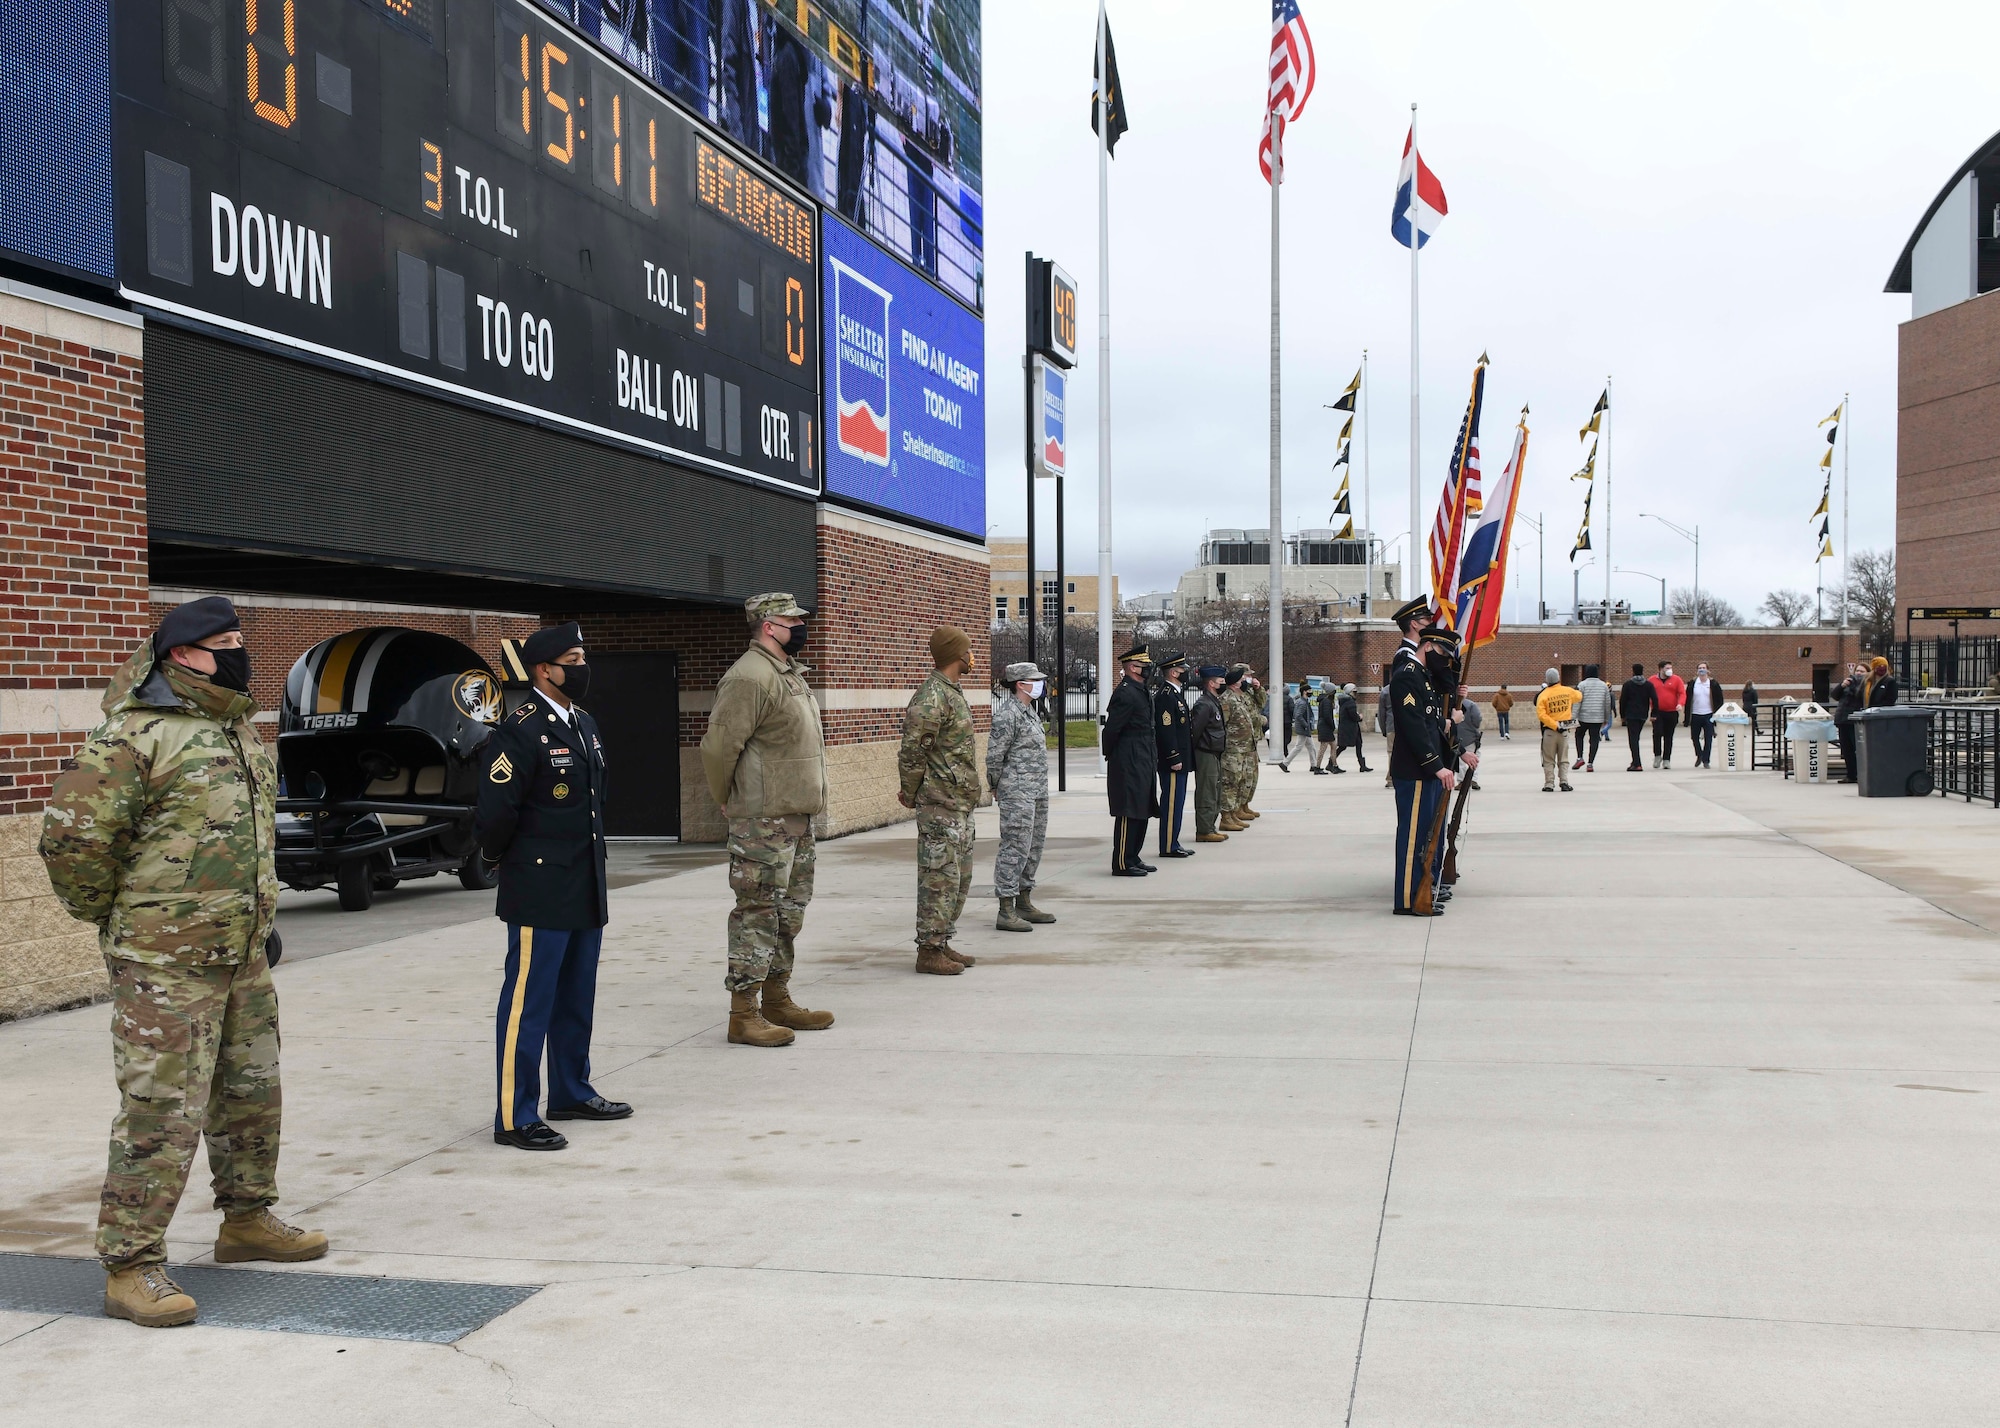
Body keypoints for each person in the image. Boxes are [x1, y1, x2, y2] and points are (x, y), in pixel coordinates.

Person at [42, 597, 325, 1328]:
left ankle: (246, 1221)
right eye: (224, 642)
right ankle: (131, 1265)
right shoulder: (136, 735)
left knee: (250, 1093)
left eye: (239, 639)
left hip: (241, 956)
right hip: (164, 966)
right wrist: (128, 922)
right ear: (183, 655)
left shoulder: (235, 728)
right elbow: (74, 843)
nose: (238, 652)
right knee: (161, 1112)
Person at [478, 622, 628, 1150]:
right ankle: (516, 1116)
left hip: (585, 880)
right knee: (528, 1002)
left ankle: (570, 1090)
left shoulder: (584, 723)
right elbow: (496, 812)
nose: (583, 667)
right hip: (539, 885)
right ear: (544, 670)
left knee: (575, 996)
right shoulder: (519, 728)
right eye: (573, 658)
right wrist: (500, 861)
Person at [701, 592, 837, 1047]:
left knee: (788, 914)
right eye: (791, 619)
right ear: (768, 625)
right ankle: (744, 1014)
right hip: (762, 820)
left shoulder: (788, 675)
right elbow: (720, 747)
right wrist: (727, 798)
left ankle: (777, 999)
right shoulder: (749, 677)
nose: (800, 625)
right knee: (756, 913)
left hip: (795, 818)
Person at [898, 626, 984, 974]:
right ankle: (928, 951)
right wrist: (911, 792)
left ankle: (943, 940)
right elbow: (913, 752)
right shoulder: (931, 697)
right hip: (939, 805)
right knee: (938, 877)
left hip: (959, 805)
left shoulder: (952, 691)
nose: (972, 655)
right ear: (956, 654)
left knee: (958, 878)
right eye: (968, 649)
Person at [1388, 599, 1454, 915]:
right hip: (1414, 768)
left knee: (1424, 834)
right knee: (1413, 837)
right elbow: (1415, 726)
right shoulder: (1406, 671)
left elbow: (1429, 720)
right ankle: (1407, 900)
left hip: (1423, 768)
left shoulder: (1417, 670)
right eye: (1426, 618)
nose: (1430, 621)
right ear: (1415, 625)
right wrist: (1435, 765)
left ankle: (1420, 892)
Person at [986, 661, 1056, 931]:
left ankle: (1024, 901)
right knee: (1015, 847)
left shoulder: (1030, 712)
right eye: (1034, 680)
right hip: (1016, 792)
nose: (1040, 684)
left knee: (1033, 846)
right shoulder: (1008, 714)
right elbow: (995, 755)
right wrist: (994, 784)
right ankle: (1006, 907)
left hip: (1036, 790)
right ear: (1020, 684)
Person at [1102, 643, 1160, 875]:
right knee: (1129, 810)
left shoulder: (1140, 690)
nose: (1149, 669)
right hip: (1129, 758)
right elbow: (1112, 730)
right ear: (1134, 668)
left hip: (1143, 755)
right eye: (1144, 666)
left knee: (1142, 807)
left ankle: (1133, 856)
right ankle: (1122, 862)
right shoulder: (1125, 693)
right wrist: (1115, 756)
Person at [1154, 652, 1196, 857]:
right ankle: (1168, 845)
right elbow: (1166, 730)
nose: (1185, 674)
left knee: (1178, 802)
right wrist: (1173, 757)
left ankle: (1174, 842)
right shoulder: (1166, 696)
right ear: (1173, 672)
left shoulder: (1176, 694)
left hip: (1181, 760)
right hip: (1173, 761)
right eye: (1182, 671)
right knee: (1171, 804)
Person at [1188, 665, 1230, 842]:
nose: (1224, 684)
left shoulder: (1212, 701)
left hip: (1214, 752)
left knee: (1215, 790)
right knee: (1207, 791)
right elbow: (1195, 731)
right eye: (1221, 681)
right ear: (1212, 683)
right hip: (1205, 752)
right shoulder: (1204, 704)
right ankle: (1204, 830)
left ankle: (1210, 826)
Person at [1220, 665, 1261, 830]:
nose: (1245, 681)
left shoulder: (1241, 697)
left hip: (1244, 747)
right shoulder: (1227, 699)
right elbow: (1222, 724)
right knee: (1230, 783)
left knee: (1241, 780)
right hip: (1232, 749)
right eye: (1242, 679)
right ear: (1235, 682)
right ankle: (1226, 817)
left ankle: (1234, 813)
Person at [1536, 666, 1581, 792]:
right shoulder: (1567, 691)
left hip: (1550, 732)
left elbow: (1541, 715)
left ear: (1547, 680)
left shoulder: (1543, 695)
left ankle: (1549, 784)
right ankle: (1564, 782)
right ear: (1558, 678)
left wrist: (1555, 725)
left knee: (1548, 759)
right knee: (1564, 758)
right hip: (1565, 730)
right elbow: (1579, 696)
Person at [1830, 662, 1865, 783]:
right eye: (1857, 671)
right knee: (1846, 749)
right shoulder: (1848, 683)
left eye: (1862, 671)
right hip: (1842, 719)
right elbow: (1834, 695)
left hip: (1855, 720)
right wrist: (1842, 685)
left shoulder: (1865, 685)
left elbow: (1860, 697)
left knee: (1857, 748)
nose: (1859, 673)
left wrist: (1855, 684)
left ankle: (1861, 774)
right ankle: (1851, 775)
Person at [1573, 664, 1613, 772]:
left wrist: (1573, 717)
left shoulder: (1582, 685)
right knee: (1594, 739)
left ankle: (1579, 757)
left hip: (1583, 717)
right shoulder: (1604, 685)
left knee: (1579, 735)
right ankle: (1590, 764)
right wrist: (1606, 718)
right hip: (1597, 717)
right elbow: (1607, 703)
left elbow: (1577, 702)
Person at [1648, 660, 1686, 768]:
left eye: (1670, 668)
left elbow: (1682, 693)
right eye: (1667, 668)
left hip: (1672, 712)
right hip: (1657, 712)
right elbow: (1647, 694)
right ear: (1660, 669)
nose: (1669, 670)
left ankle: (1666, 759)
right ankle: (1657, 755)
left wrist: (1680, 704)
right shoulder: (1652, 680)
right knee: (1657, 733)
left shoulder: (1676, 679)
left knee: (1669, 736)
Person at [1619, 662, 1656, 771]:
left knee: (1633, 739)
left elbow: (1623, 701)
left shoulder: (1628, 684)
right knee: (1636, 737)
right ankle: (1635, 761)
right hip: (1642, 714)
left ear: (1633, 671)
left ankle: (1637, 763)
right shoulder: (1648, 685)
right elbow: (1655, 699)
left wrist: (1622, 715)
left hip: (1631, 715)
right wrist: (1654, 712)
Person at [1686, 661, 1722, 767]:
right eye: (1700, 668)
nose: (1702, 670)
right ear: (1697, 671)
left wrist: (1717, 714)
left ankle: (1706, 760)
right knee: (1694, 737)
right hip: (1695, 714)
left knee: (1708, 738)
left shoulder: (1713, 684)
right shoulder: (1692, 684)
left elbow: (1719, 700)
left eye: (1704, 668)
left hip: (1708, 714)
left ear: (1708, 670)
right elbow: (1688, 700)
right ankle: (1699, 755)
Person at [1281, 684, 1316, 772]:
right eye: (1309, 691)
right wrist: (1306, 725)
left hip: (1304, 728)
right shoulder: (1302, 703)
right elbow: (1298, 715)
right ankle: (1285, 763)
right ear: (1304, 692)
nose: (1311, 692)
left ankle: (1313, 765)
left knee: (1311, 747)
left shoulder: (1302, 701)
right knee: (1298, 747)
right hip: (1303, 729)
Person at [1313, 679, 1340, 772]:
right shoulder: (1326, 702)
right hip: (1325, 727)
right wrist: (1332, 726)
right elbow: (1327, 716)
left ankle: (1334, 765)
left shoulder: (1324, 701)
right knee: (1323, 747)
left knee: (1333, 746)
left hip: (1325, 727)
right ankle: (1317, 767)